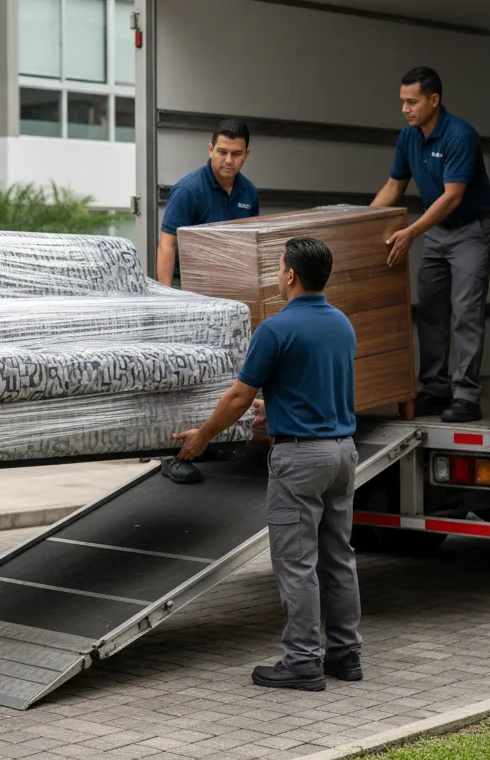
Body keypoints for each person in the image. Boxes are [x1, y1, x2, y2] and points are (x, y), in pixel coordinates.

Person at [173, 237, 363, 692]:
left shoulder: (276, 329)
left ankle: (301, 662)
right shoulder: (341, 324)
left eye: (279, 267)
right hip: (342, 451)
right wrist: (275, 408)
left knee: (296, 563)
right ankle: (346, 654)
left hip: (300, 458)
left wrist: (202, 437)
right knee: (338, 558)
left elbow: (239, 396)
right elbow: (312, 382)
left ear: (291, 275)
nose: (277, 274)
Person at [371, 66, 490, 424]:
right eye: (402, 102)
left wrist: (410, 232)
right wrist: (358, 223)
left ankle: (467, 396)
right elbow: (395, 186)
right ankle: (436, 389)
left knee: (465, 312)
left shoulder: (459, 135)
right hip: (436, 231)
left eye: (412, 102)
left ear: (434, 100)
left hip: (469, 230)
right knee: (430, 310)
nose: (405, 109)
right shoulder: (408, 137)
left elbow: (452, 197)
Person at [157, 118, 260, 485]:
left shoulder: (249, 192)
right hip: (192, 297)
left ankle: (214, 439)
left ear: (246, 154)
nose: (227, 160)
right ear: (209, 149)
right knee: (189, 371)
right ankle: (173, 454)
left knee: (229, 370)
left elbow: (250, 245)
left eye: (235, 154)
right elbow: (167, 245)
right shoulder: (189, 190)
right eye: (221, 152)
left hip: (230, 300)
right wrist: (167, 299)